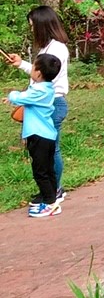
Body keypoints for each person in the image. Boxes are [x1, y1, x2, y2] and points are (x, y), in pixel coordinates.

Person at [7, 5, 70, 202]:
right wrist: (22, 64)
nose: (32, 29)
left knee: (51, 149)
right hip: (46, 103)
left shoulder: (57, 49)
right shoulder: (48, 47)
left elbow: (45, 78)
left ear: (42, 25)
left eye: (33, 25)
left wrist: (22, 96)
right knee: (49, 149)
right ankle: (51, 189)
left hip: (51, 104)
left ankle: (54, 191)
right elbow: (39, 73)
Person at [6, 53, 63, 217]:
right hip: (47, 136)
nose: (31, 69)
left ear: (38, 73)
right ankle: (52, 199)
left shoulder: (39, 91)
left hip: (39, 136)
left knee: (40, 172)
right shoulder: (47, 88)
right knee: (48, 170)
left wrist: (11, 95)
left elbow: (18, 97)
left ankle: (51, 204)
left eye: (33, 66)